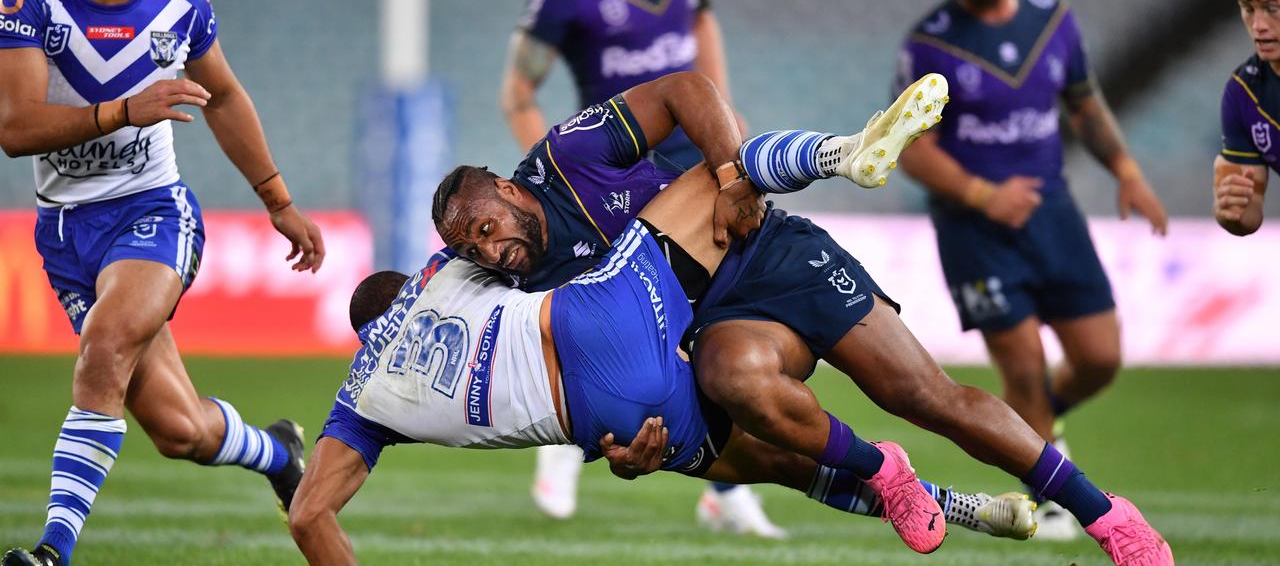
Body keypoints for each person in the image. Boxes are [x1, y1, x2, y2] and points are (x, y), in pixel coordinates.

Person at [434, 70, 1173, 565]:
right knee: (736, 386)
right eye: (474, 249)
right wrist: (620, 451)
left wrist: (730, 177)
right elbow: (581, 375)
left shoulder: (570, 155)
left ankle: (1108, 517)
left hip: (766, 250)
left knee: (927, 397)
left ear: (505, 187)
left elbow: (690, 89)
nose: (492, 252)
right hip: (707, 329)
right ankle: (886, 471)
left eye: (487, 228)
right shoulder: (520, 291)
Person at [289, 152, 1043, 565]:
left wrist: (617, 451)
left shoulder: (373, 381)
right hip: (630, 332)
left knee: (786, 456)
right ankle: (827, 152)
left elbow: (308, 515)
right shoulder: (458, 272)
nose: (488, 251)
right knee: (782, 440)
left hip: (652, 363)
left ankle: (952, 504)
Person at [0, 0, 324, 566]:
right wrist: (124, 110)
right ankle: (275, 452)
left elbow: (228, 98)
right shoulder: (28, 1)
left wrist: (280, 202)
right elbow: (15, 127)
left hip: (153, 211)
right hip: (64, 234)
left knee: (106, 344)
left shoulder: (183, 5)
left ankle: (53, 550)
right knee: (180, 431)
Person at [894, 0, 1169, 539]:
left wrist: (1126, 171)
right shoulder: (930, 42)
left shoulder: (1054, 23)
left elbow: (1085, 105)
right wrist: (984, 196)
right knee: (1021, 367)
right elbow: (909, 149)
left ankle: (1039, 422)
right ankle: (1052, 495)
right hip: (975, 231)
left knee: (1100, 357)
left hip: (1052, 215)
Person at [498, 0, 755, 527]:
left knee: (718, 322)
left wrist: (722, 109)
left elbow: (702, 20)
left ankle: (727, 494)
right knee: (646, 327)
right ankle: (567, 434)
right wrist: (550, 177)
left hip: (698, 166)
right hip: (618, 185)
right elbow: (518, 90)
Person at [1214, 0, 1279, 235]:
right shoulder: (1244, 94)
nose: (1258, 25)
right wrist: (1233, 210)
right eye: (1248, 9)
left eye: (1272, 9)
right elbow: (1250, 209)